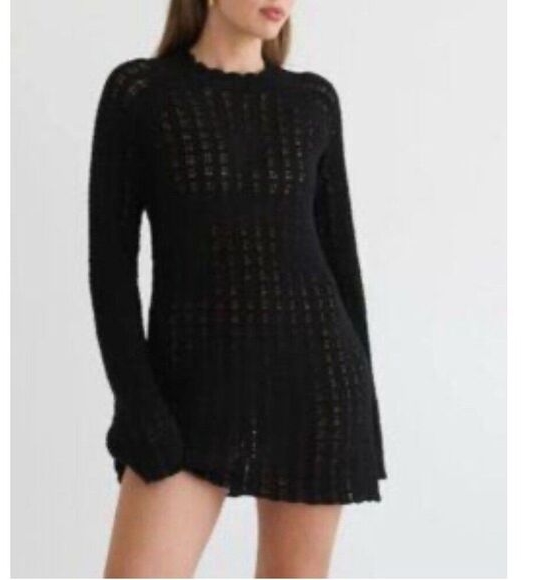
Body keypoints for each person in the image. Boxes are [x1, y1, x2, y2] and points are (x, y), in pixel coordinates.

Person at [88, 0, 387, 576]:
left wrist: (366, 415)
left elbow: (341, 261)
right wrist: (137, 405)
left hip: (316, 387)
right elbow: (111, 272)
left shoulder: (312, 100)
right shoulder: (142, 93)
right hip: (187, 394)